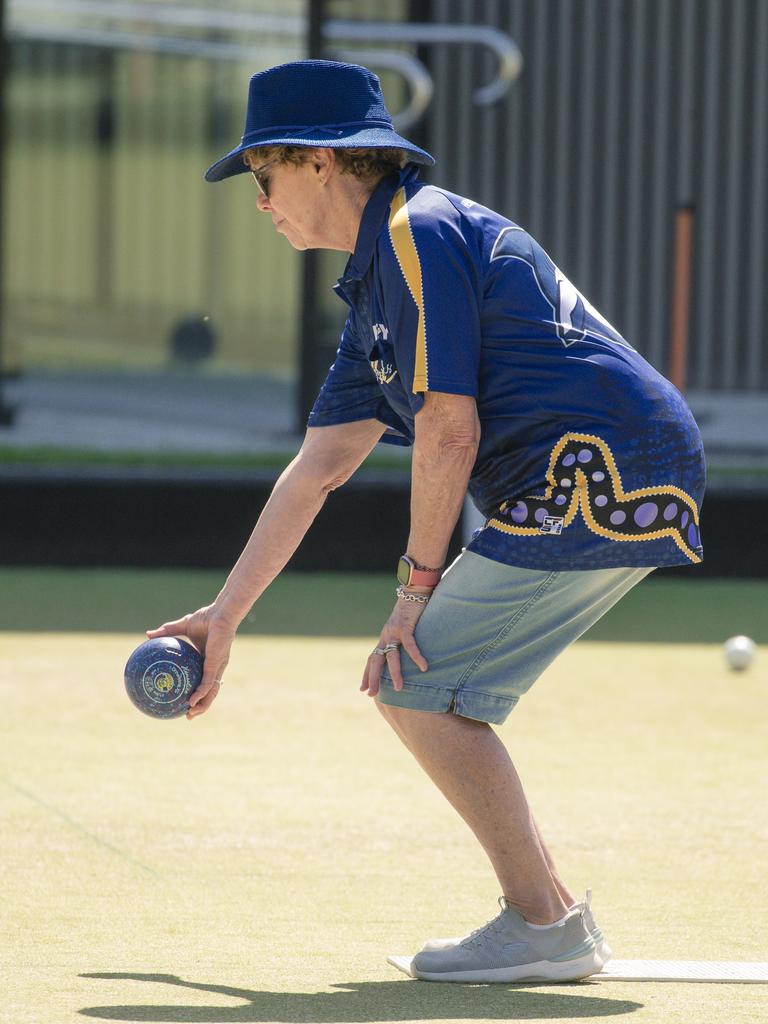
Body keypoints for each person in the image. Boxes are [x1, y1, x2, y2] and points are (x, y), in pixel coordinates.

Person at [148, 60, 705, 984]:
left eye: (263, 173)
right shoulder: (377, 287)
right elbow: (317, 470)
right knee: (427, 688)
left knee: (418, 681)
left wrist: (416, 591)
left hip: (599, 472)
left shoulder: (417, 232)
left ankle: (546, 924)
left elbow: (450, 429)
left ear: (322, 162)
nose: (259, 200)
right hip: (620, 466)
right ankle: (550, 920)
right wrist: (223, 618)